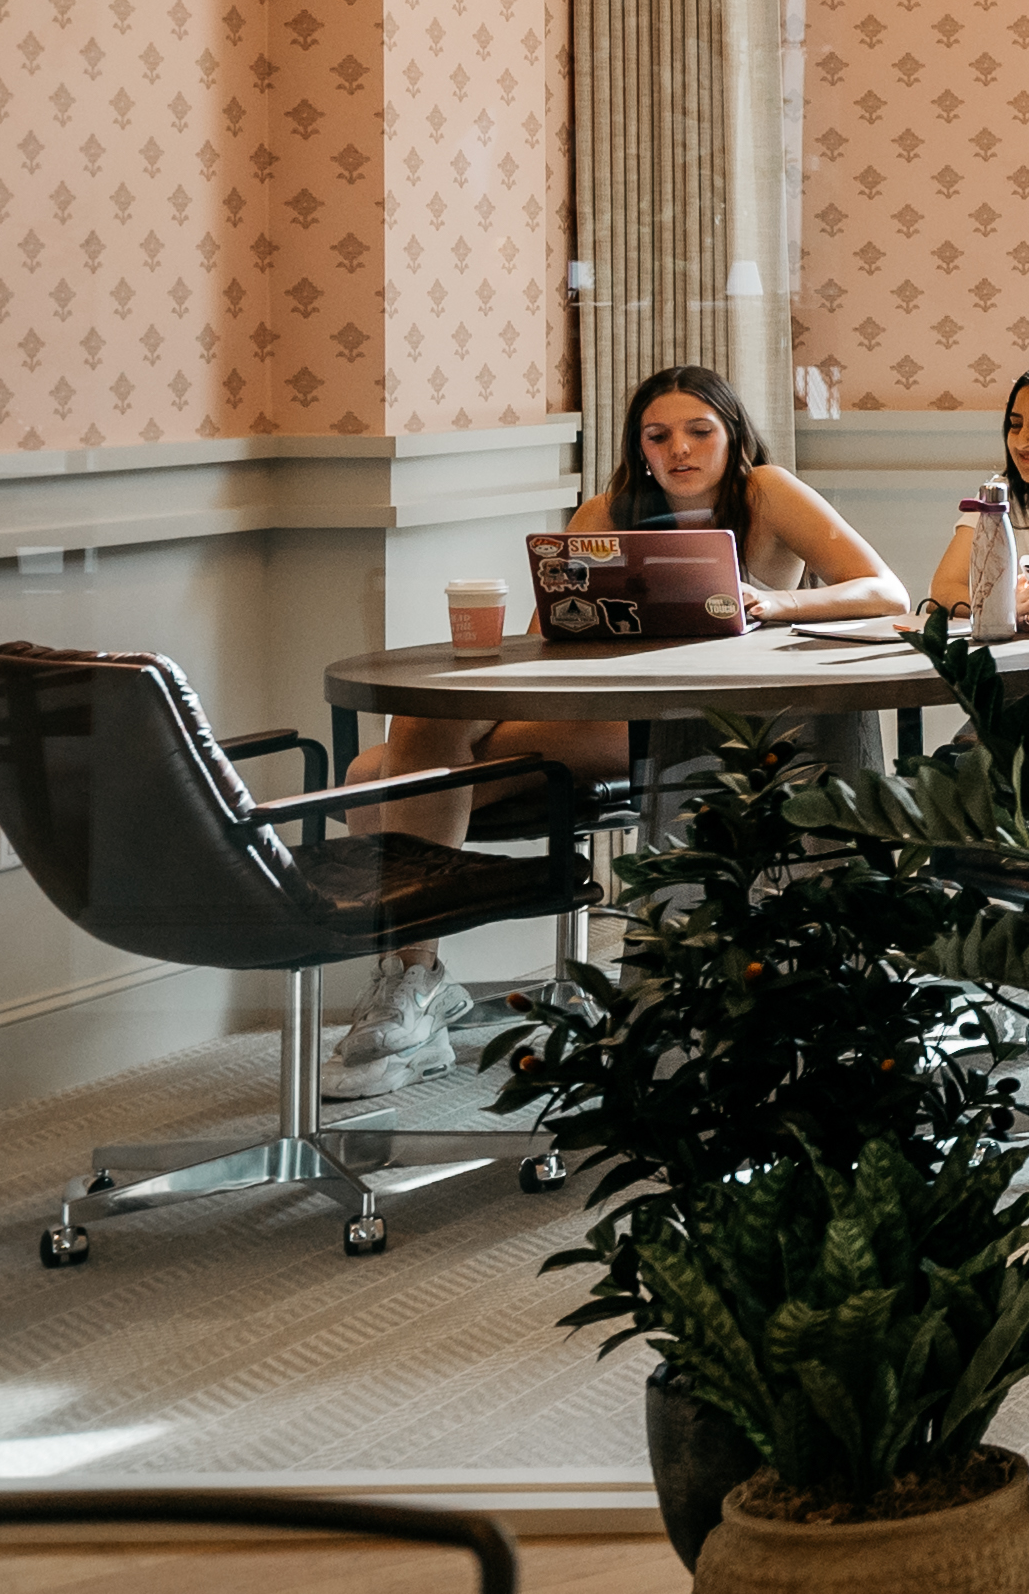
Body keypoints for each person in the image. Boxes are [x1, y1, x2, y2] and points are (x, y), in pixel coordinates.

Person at [325, 365, 909, 1095]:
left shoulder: (767, 491)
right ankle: (413, 984)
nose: (680, 449)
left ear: (733, 435)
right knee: (408, 728)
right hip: (593, 706)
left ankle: (414, 989)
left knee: (373, 778)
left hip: (691, 723)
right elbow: (547, 644)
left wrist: (773, 604)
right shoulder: (607, 511)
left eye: (700, 430)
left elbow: (886, 590)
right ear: (639, 446)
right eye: (658, 435)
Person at [927, 360, 1029, 630]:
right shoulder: (1000, 495)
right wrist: (1001, 606)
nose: (1023, 439)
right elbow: (942, 590)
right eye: (1015, 425)